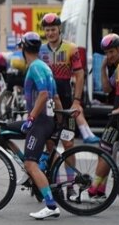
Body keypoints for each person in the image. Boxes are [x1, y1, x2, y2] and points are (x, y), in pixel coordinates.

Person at [5, 32, 62, 220]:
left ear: (23, 48)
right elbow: (55, 97)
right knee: (1, 131)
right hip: (47, 120)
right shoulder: (44, 66)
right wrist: (59, 121)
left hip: (39, 122)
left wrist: (30, 118)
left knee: (31, 163)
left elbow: (44, 94)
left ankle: (51, 205)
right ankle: (31, 171)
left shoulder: (35, 67)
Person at [85, 33, 119, 201]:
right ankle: (101, 189)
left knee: (104, 150)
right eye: (106, 53)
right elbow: (108, 89)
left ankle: (94, 189)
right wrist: (102, 68)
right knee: (108, 150)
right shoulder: (118, 67)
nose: (109, 56)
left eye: (111, 52)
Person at [38, 13, 99, 143]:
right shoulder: (40, 50)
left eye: (53, 29)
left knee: (68, 142)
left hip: (65, 98)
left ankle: (70, 164)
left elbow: (80, 74)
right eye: (47, 30)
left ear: (59, 29)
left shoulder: (71, 48)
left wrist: (76, 100)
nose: (50, 33)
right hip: (47, 101)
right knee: (49, 142)